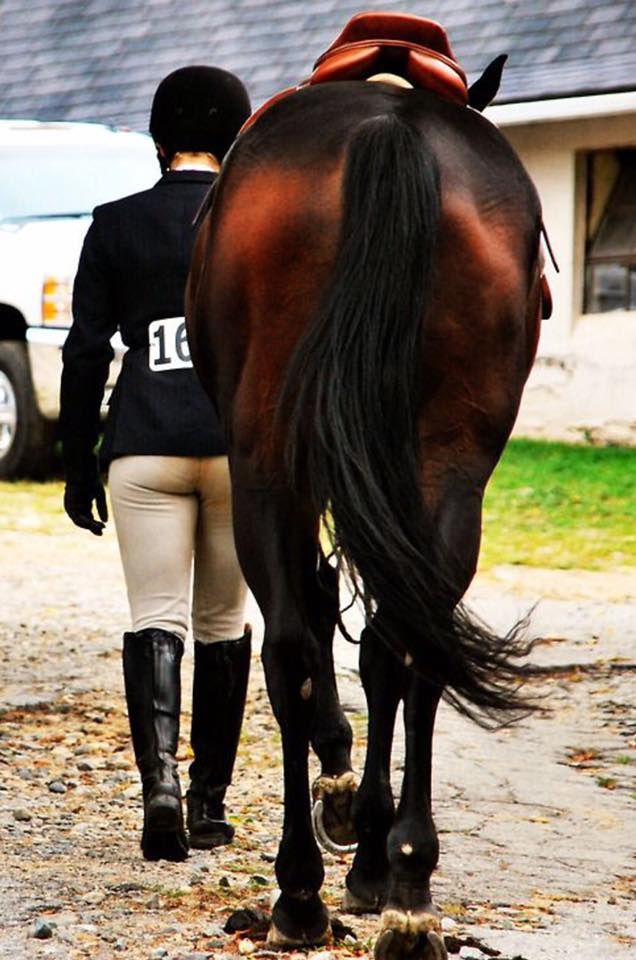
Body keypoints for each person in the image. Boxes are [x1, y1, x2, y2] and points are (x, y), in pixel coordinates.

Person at [59, 66, 252, 862]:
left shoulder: (115, 223)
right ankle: (209, 801)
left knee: (156, 618)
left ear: (157, 140)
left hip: (143, 446)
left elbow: (82, 353)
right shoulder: (261, 219)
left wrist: (78, 460)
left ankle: (160, 789)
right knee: (223, 624)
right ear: (239, 137)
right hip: (239, 449)